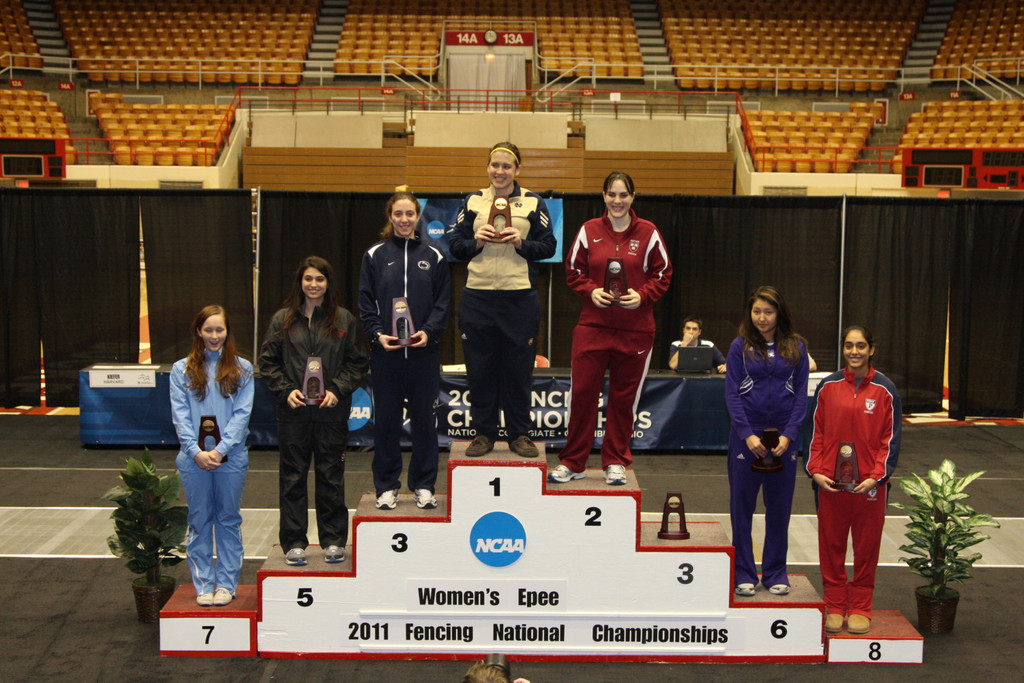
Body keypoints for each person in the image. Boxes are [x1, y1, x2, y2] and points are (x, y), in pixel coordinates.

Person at [548, 171, 672, 486]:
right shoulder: (589, 231)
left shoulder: (649, 233)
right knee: (583, 394)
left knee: (623, 398)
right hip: (593, 326)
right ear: (603, 196)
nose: (617, 201)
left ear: (633, 197)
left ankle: (615, 461)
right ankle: (573, 461)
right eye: (612, 194)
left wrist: (641, 297)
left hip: (636, 330)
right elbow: (573, 269)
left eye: (623, 195)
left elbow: (664, 273)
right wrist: (590, 291)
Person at [448, 141, 557, 458]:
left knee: (518, 371)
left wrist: (522, 242)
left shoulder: (533, 203)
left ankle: (519, 434)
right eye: (494, 165)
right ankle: (483, 434)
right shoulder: (472, 201)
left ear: (517, 170)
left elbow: (548, 247)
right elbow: (454, 245)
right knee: (480, 370)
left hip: (519, 299)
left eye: (506, 166)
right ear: (487, 168)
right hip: (477, 298)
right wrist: (474, 242)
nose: (500, 171)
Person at [259, 256, 368, 566]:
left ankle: (333, 540)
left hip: (331, 413)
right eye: (308, 279)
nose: (314, 284)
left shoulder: (344, 319)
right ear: (300, 283)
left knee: (331, 476)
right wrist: (285, 390)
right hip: (293, 413)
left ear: (327, 284)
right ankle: (293, 542)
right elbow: (267, 362)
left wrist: (336, 390)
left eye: (319, 279)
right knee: (292, 478)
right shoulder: (283, 319)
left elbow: (358, 362)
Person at [806, 325, 901, 635]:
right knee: (830, 545)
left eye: (861, 346)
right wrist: (816, 470)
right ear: (843, 349)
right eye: (849, 345)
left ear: (871, 349)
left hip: (870, 488)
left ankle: (860, 606)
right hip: (830, 485)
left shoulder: (886, 390)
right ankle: (834, 604)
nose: (855, 351)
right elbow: (815, 433)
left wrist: (876, 477)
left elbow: (891, 438)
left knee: (866, 547)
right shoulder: (828, 386)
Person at [359, 191, 450, 511]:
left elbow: (442, 303)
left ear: (417, 216)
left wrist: (429, 331)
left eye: (409, 214)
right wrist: (376, 335)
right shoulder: (374, 255)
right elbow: (366, 302)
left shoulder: (434, 256)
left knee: (425, 422)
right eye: (398, 214)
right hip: (387, 356)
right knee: (386, 422)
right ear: (390, 216)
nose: (404, 219)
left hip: (425, 355)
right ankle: (386, 486)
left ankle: (424, 485)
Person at [725, 285, 810, 597]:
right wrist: (746, 434)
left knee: (779, 509)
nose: (761, 317)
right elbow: (732, 393)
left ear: (779, 313)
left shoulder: (796, 347)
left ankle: (775, 572)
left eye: (768, 312)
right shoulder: (739, 347)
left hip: (783, 440)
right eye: (757, 311)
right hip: (746, 439)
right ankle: (743, 572)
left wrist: (790, 434)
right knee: (741, 507)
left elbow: (801, 395)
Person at [170, 305, 254, 606]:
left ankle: (227, 584)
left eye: (219, 330)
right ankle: (204, 583)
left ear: (227, 331)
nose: (214, 336)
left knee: (228, 519)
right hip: (194, 461)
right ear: (198, 332)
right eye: (209, 330)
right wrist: (195, 452)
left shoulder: (243, 369)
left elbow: (242, 415)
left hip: (230, 459)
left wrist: (220, 449)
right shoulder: (181, 370)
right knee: (200, 520)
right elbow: (180, 416)